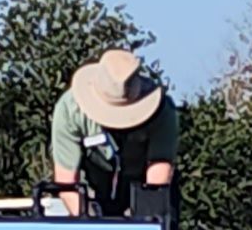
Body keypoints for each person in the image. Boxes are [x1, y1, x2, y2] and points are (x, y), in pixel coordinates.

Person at [50, 49, 180, 219]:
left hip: (139, 191)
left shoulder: (163, 111)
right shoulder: (69, 110)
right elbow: (67, 182)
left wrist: (144, 225)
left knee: (165, 225)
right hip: (87, 194)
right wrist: (91, 226)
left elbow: (157, 178)